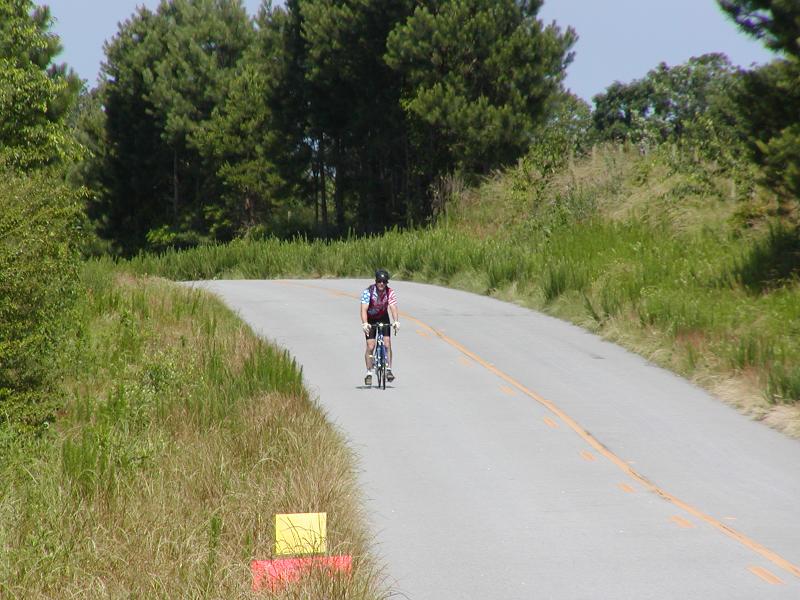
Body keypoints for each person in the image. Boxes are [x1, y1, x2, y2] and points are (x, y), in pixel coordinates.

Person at [360, 269, 399, 385]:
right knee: (370, 345)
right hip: (370, 319)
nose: (381, 283)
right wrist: (365, 323)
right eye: (379, 281)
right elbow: (363, 309)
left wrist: (396, 321)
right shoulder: (368, 292)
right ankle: (369, 373)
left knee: (387, 343)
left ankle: (388, 370)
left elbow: (393, 307)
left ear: (387, 282)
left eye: (384, 281)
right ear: (375, 281)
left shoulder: (390, 292)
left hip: (383, 317)